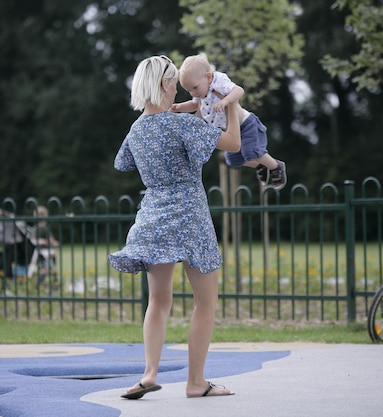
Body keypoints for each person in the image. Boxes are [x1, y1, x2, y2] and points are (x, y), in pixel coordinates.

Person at [108, 55, 240, 399]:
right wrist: (232, 106)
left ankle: (149, 373)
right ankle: (196, 382)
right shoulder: (181, 125)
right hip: (190, 216)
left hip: (154, 217)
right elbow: (233, 145)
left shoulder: (136, 130)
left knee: (158, 301)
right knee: (205, 302)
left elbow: (123, 162)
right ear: (167, 85)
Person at [171, 52, 287, 190]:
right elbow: (195, 104)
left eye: (195, 88)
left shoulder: (218, 82)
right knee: (233, 160)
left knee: (251, 152)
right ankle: (259, 164)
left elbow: (239, 90)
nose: (193, 93)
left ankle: (275, 166)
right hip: (231, 130)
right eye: (189, 90)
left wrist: (226, 100)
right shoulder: (201, 92)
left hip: (246, 124)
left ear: (208, 76)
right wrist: (179, 107)